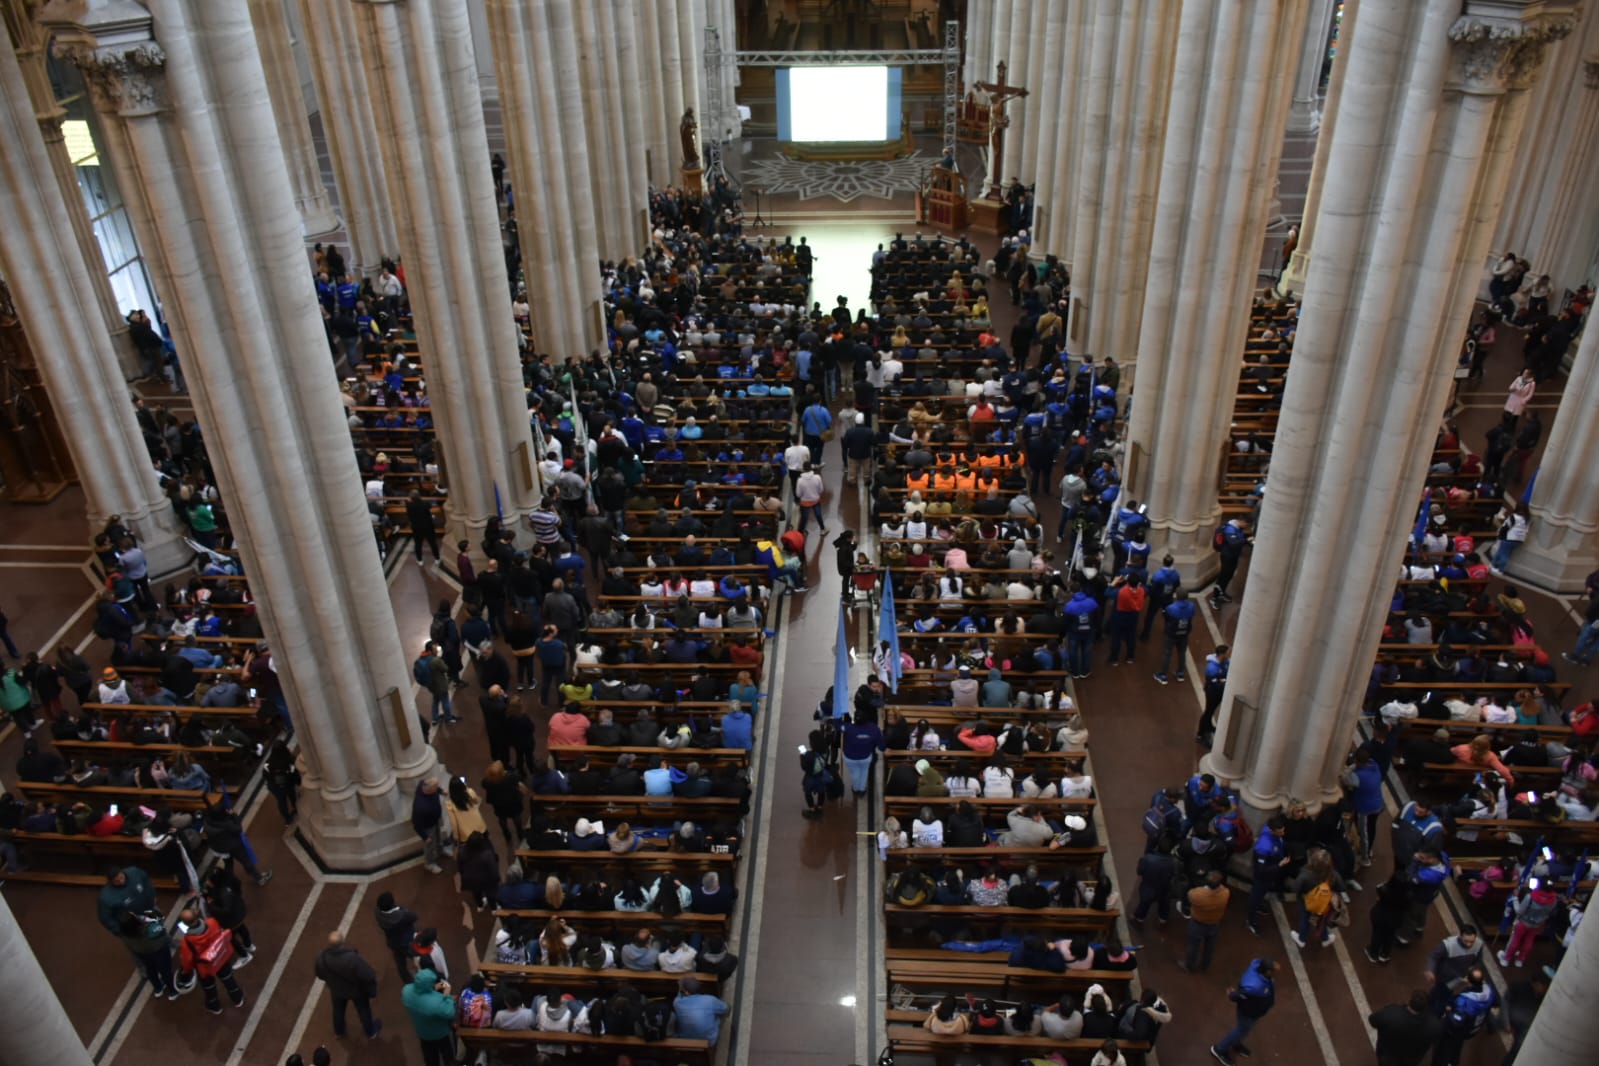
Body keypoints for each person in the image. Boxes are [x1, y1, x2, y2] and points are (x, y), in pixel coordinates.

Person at [175, 907, 247, 1015]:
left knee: (209, 987)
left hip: (205, 967)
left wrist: (186, 972)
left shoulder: (187, 942)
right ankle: (238, 998)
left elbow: (187, 961)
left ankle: (215, 1006)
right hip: (219, 957)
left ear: (185, 924)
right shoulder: (212, 922)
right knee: (228, 979)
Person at [1210, 956, 1279, 1065]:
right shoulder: (1255, 986)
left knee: (1247, 1029)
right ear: (1267, 971)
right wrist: (1232, 995)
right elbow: (1239, 994)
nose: (1276, 973)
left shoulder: (1258, 965)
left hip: (1256, 1011)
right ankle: (1219, 1049)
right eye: (1273, 971)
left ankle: (1236, 1043)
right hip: (1248, 1013)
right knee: (1241, 1030)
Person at [315, 930, 383, 1039]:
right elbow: (367, 975)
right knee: (363, 1010)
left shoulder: (322, 958)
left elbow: (319, 974)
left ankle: (339, 1031)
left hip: (336, 990)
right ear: (342, 942)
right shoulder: (352, 958)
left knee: (338, 1010)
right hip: (356, 991)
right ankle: (370, 1031)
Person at [1432, 965, 1499, 1066]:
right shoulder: (1489, 990)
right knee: (1457, 1047)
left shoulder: (1464, 1002)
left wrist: (1449, 1011)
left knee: (1446, 1050)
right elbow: (1497, 1003)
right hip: (1475, 1027)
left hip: (1460, 1031)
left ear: (1469, 981)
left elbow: (1454, 1022)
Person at [1367, 989, 1441, 1066]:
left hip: (1388, 1058)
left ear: (1410, 1001)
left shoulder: (1391, 1013)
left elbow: (1372, 1020)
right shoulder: (1434, 1024)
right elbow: (1435, 1038)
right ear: (1426, 1006)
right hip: (1411, 1061)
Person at [401, 967, 458, 1066]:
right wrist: (447, 995)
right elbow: (450, 1012)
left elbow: (419, 990)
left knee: (430, 1059)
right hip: (440, 1034)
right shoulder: (436, 1003)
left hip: (423, 1033)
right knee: (448, 1056)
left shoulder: (406, 991)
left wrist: (432, 988)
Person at [1181, 869, 1230, 973]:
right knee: (1209, 947)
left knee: (1193, 946)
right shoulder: (1225, 893)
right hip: (1214, 923)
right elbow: (1222, 888)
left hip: (1198, 923)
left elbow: (1190, 895)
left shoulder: (1197, 895)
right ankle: (1205, 965)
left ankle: (1189, 965)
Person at [98, 865, 157, 936]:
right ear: (111, 882)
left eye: (121, 877)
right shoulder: (106, 897)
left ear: (123, 872)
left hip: (151, 910)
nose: (121, 881)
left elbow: (145, 880)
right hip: (134, 926)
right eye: (117, 881)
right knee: (145, 943)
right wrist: (122, 931)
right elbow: (105, 918)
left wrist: (153, 895)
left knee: (160, 928)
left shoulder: (135, 872)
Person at [672, 976, 729, 1046]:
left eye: (681, 988)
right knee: (719, 1011)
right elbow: (725, 1009)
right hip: (709, 1040)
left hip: (684, 1038)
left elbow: (679, 996)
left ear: (686, 992)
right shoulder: (710, 1000)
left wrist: (680, 991)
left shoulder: (677, 1002)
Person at [375, 892, 419, 977]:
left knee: (400, 962)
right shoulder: (401, 916)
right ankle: (422, 976)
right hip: (407, 942)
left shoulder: (377, 912)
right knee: (419, 958)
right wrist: (400, 909)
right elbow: (414, 917)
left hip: (393, 942)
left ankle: (406, 979)